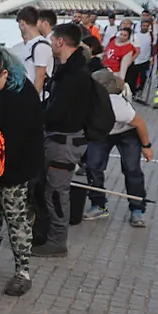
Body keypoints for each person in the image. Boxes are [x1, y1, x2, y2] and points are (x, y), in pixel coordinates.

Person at [0, 51, 43, 295]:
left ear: (5, 73)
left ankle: (23, 272)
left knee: (16, 220)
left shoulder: (21, 97)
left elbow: (16, 142)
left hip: (14, 170)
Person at [33, 23, 94, 258]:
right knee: (51, 190)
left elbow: (58, 111)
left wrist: (35, 116)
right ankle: (51, 236)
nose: (49, 44)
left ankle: (58, 241)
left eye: (51, 40)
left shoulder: (73, 76)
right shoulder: (71, 69)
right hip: (63, 139)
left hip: (64, 142)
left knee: (57, 193)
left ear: (60, 42)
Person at [83, 70, 154, 227]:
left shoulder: (117, 104)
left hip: (126, 132)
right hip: (102, 133)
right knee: (93, 166)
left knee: (131, 168)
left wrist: (146, 146)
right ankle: (99, 205)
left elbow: (140, 124)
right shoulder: (86, 101)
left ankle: (137, 209)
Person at [15, 6, 54, 97]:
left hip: (38, 98)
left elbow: (40, 76)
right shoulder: (31, 44)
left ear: (22, 23)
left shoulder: (40, 46)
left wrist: (33, 100)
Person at [130, 18, 156, 93]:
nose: (145, 27)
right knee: (133, 76)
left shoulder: (151, 36)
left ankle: (141, 89)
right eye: (143, 26)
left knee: (143, 76)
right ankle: (133, 91)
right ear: (141, 26)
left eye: (146, 26)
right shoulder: (135, 35)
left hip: (145, 59)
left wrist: (152, 57)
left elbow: (153, 47)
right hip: (135, 59)